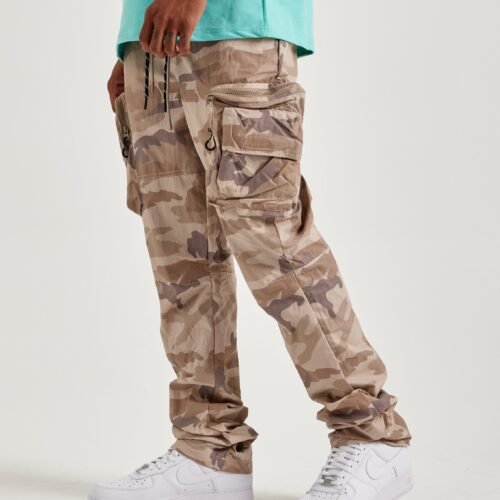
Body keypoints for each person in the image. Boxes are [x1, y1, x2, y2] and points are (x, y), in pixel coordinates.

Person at [90, 1, 414, 499]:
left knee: (273, 243)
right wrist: (132, 41)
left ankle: (373, 436)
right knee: (182, 257)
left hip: (239, 30)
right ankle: (209, 452)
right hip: (153, 45)